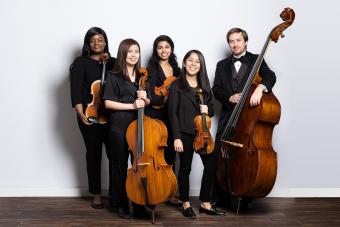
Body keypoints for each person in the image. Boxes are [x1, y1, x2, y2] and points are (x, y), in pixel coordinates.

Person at [212, 27, 276, 209]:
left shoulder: (257, 60)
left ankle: (246, 196)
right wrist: (228, 97)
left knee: (244, 159)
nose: (235, 44)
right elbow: (216, 89)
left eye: (238, 40)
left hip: (248, 119)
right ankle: (220, 197)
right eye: (231, 41)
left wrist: (260, 88)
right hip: (227, 119)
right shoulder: (221, 65)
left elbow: (271, 76)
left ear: (245, 41)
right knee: (221, 156)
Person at [168, 50, 225, 219]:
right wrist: (176, 136)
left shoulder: (205, 87)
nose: (193, 64)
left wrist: (207, 110)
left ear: (201, 66)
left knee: (211, 166)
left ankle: (205, 203)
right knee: (185, 168)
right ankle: (185, 203)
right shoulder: (177, 86)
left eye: (197, 62)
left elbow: (213, 112)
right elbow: (173, 114)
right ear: (184, 63)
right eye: (190, 60)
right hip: (184, 133)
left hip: (203, 135)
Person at [103, 38, 150, 219]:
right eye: (129, 51)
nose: (133, 55)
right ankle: (121, 203)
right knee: (120, 166)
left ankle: (138, 203)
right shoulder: (114, 75)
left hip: (138, 125)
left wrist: (145, 99)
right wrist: (132, 106)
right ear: (123, 53)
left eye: (136, 51)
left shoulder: (142, 76)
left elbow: (148, 101)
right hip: (119, 126)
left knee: (138, 165)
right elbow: (107, 103)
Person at [70, 27, 116, 209]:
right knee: (94, 155)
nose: (97, 43)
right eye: (93, 40)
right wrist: (81, 114)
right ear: (88, 44)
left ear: (105, 42)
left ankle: (115, 192)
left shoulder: (113, 62)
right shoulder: (80, 63)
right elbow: (76, 91)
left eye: (100, 39)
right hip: (89, 115)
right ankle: (96, 194)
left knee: (115, 156)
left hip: (112, 117)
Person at [146, 35, 181, 205]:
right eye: (160, 47)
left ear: (172, 49)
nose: (164, 50)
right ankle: (154, 188)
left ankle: (170, 190)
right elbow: (151, 95)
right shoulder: (151, 68)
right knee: (155, 151)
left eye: (167, 47)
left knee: (170, 154)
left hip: (173, 115)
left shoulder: (177, 68)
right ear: (155, 50)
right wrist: (165, 98)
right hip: (156, 114)